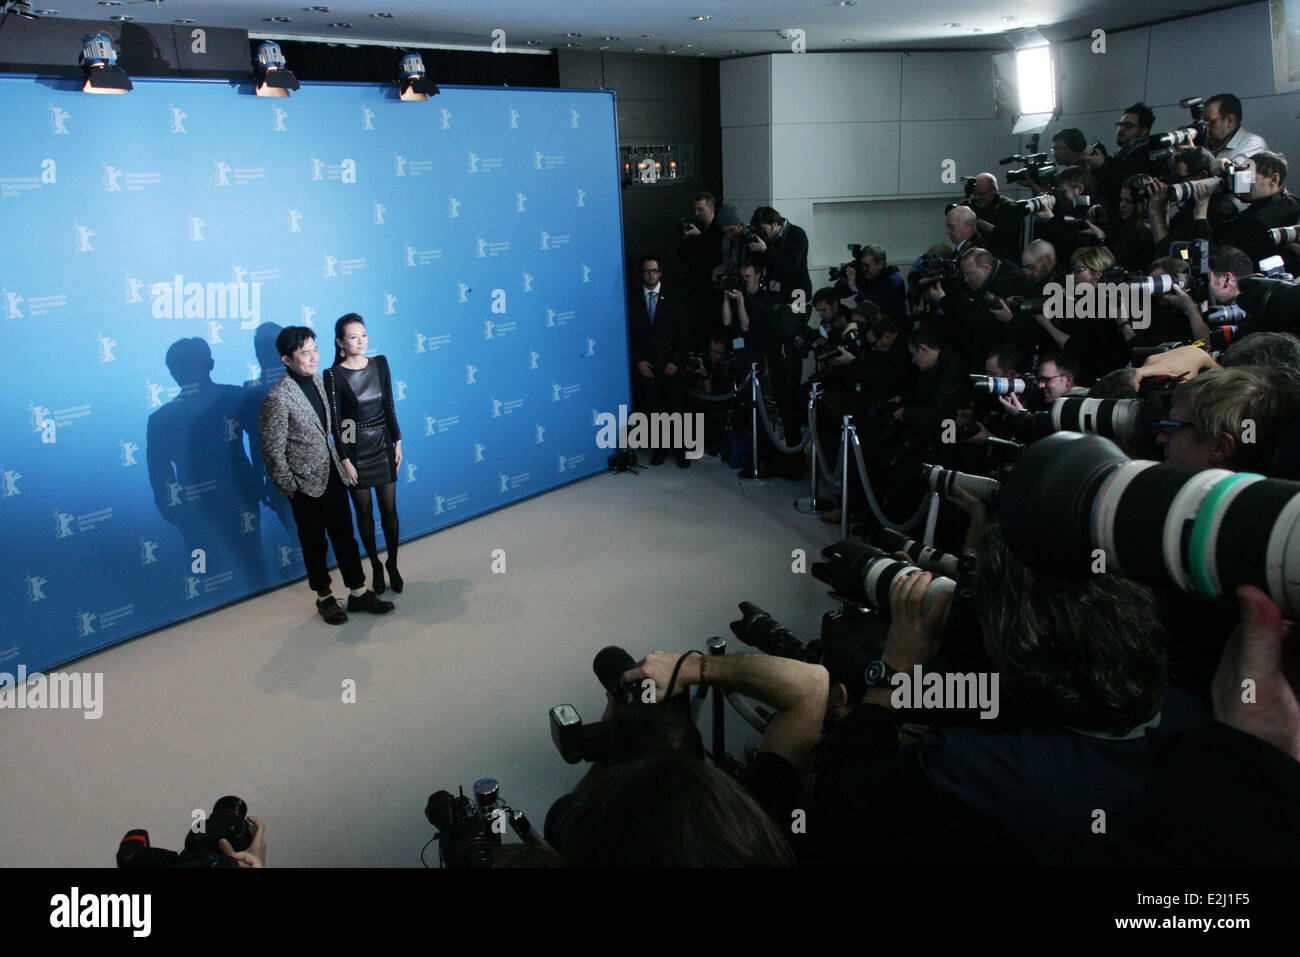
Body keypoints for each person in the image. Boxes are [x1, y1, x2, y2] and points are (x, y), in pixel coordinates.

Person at [258, 326, 394, 625]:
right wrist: (292, 488)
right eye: (305, 353)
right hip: (305, 486)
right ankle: (324, 597)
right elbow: (272, 452)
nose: (313, 357)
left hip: (333, 474)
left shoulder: (320, 383)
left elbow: (335, 428)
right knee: (314, 544)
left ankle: (358, 592)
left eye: (315, 350)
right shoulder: (278, 397)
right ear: (286, 359)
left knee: (346, 536)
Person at [323, 314, 404, 594]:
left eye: (364, 335)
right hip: (357, 452)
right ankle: (375, 566)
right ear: (340, 342)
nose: (361, 341)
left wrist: (398, 441)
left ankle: (392, 563)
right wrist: (346, 460)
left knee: (389, 511)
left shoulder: (380, 363)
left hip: (383, 444)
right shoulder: (334, 375)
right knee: (365, 514)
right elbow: (339, 422)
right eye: (353, 337)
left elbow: (389, 406)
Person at [629, 253, 691, 467]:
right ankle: (660, 450)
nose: (651, 274)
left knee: (677, 409)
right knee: (654, 410)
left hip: (672, 365)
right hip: (648, 366)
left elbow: (685, 333)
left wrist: (676, 361)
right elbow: (628, 336)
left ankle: (682, 452)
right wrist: (638, 361)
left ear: (660, 273)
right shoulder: (633, 299)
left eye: (654, 270)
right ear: (642, 273)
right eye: (647, 271)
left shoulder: (675, 297)